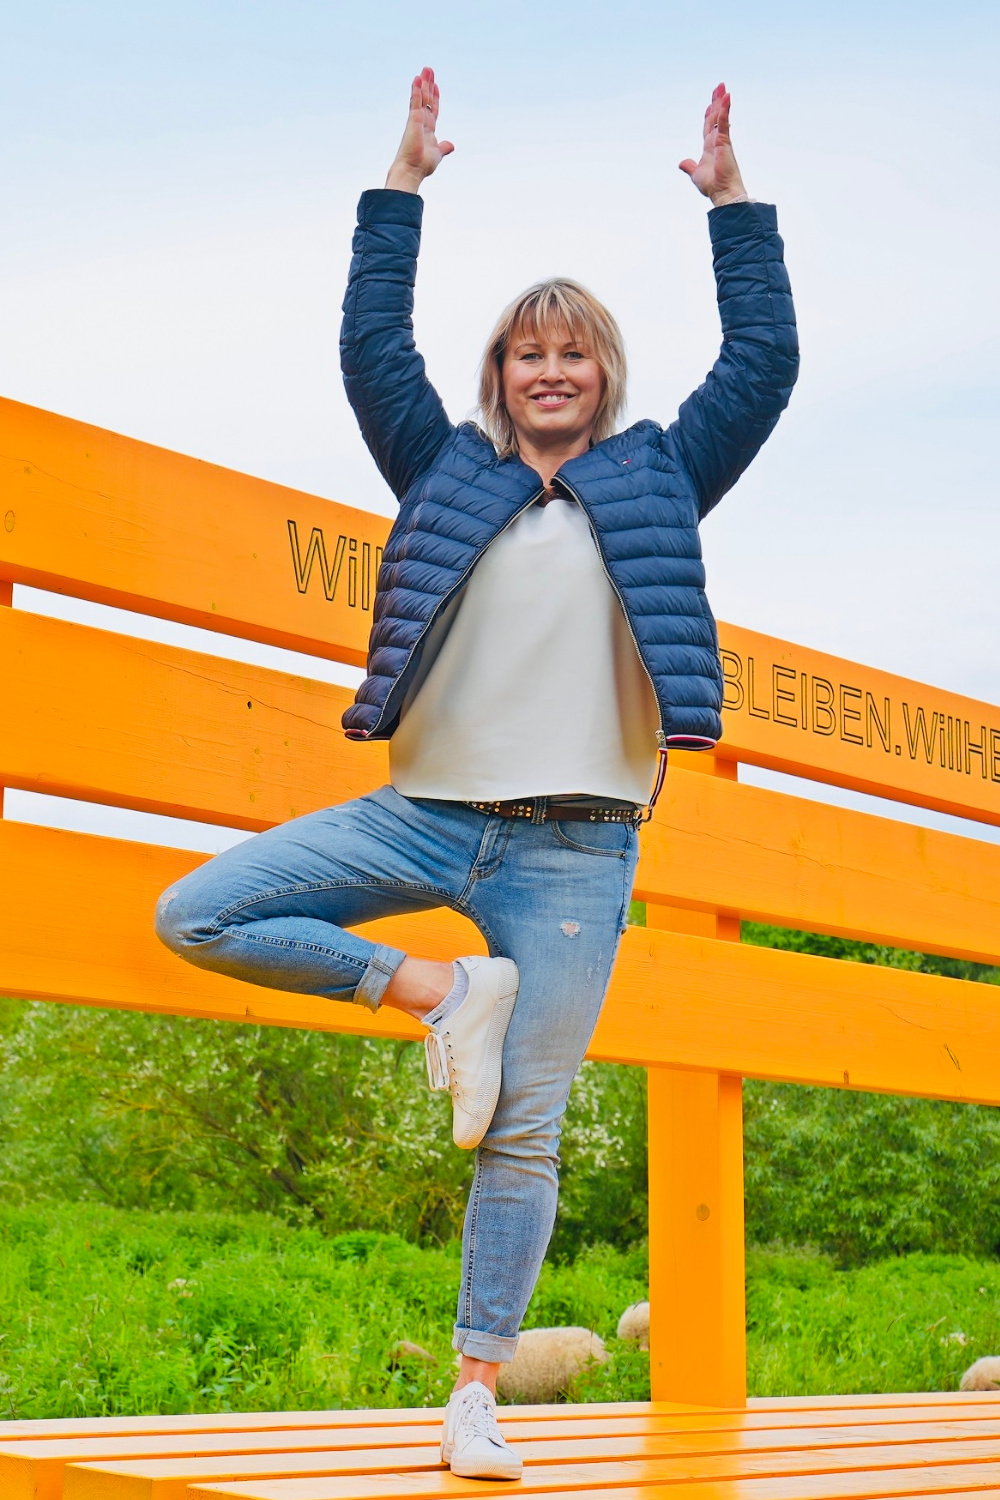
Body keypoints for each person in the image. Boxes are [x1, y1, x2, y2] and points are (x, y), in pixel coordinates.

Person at [156, 67, 797, 1481]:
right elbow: (370, 348)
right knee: (198, 912)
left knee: (523, 1130)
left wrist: (734, 209)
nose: (550, 372)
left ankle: (474, 1395)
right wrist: (400, 185)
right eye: (525, 354)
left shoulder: (662, 477)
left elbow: (762, 363)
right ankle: (445, 994)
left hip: (576, 848)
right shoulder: (443, 470)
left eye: (574, 354)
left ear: (605, 373)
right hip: (424, 814)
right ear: (498, 375)